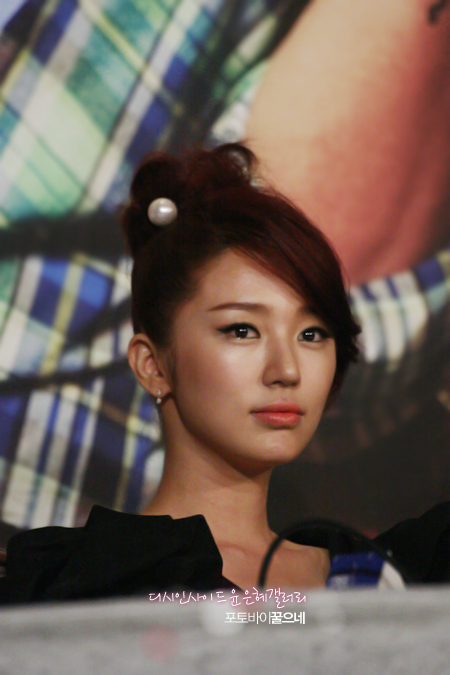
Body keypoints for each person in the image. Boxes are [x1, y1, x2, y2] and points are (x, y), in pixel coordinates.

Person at [1, 143, 450, 604]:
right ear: (152, 365)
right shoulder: (75, 586)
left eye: (312, 334)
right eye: (241, 330)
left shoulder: (384, 579)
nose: (286, 370)